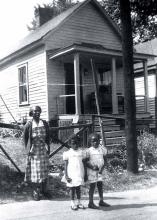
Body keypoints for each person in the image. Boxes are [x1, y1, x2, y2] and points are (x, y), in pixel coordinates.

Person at [23, 105, 50, 201]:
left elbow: (48, 137)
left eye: (39, 111)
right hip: (34, 151)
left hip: (43, 150)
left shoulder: (45, 123)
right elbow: (25, 139)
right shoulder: (29, 124)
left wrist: (48, 148)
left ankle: (45, 190)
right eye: (35, 111)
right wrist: (27, 151)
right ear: (32, 113)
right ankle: (36, 191)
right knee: (35, 172)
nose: (37, 113)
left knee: (44, 171)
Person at [86, 133, 110, 209]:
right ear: (90, 142)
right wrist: (92, 167)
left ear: (99, 141)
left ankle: (101, 201)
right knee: (92, 186)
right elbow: (85, 162)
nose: (95, 142)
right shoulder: (88, 151)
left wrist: (101, 169)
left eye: (97, 140)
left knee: (100, 185)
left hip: (100, 170)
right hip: (92, 171)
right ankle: (90, 202)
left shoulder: (102, 149)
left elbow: (105, 160)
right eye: (93, 141)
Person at [62, 135, 86, 210]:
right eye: (73, 143)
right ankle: (72, 202)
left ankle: (79, 202)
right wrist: (66, 175)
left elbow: (84, 164)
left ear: (79, 143)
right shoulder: (67, 153)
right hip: (71, 173)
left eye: (77, 143)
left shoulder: (81, 152)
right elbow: (65, 165)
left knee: (78, 187)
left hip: (79, 172)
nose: (75, 145)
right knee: (72, 188)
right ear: (70, 144)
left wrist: (85, 174)